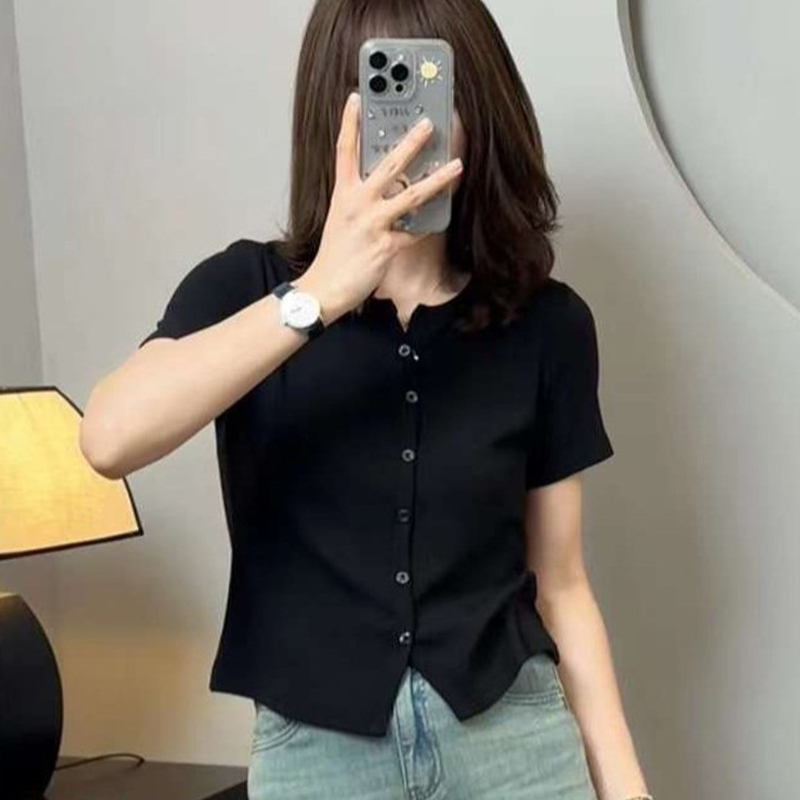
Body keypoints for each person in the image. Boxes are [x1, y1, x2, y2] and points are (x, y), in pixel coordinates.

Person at [80, 1, 653, 798]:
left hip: (514, 742)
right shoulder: (244, 288)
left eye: (433, 94)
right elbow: (109, 438)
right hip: (317, 758)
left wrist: (627, 789)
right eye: (385, 99)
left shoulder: (548, 324)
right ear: (335, 118)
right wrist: (316, 295)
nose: (410, 133)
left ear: (479, 112)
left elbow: (561, 583)